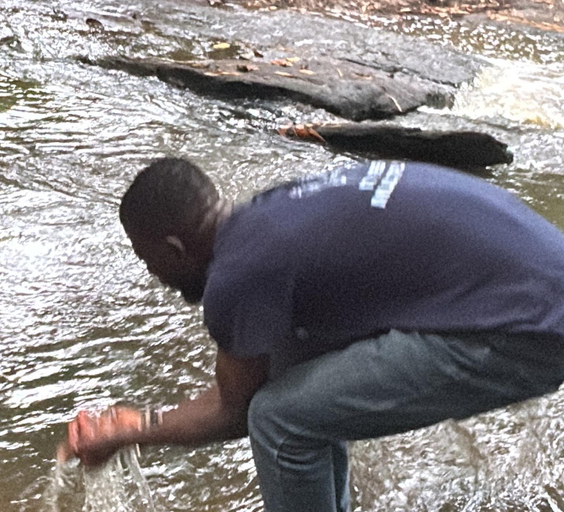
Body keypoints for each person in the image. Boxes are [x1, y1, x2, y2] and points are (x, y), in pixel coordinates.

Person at [61, 157, 564, 512]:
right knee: (299, 397)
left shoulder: (238, 275)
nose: (154, 275)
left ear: (174, 247)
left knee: (282, 421)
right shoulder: (269, 217)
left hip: (528, 327)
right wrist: (135, 426)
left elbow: (237, 411)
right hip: (537, 286)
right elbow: (276, 375)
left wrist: (133, 430)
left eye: (149, 260)